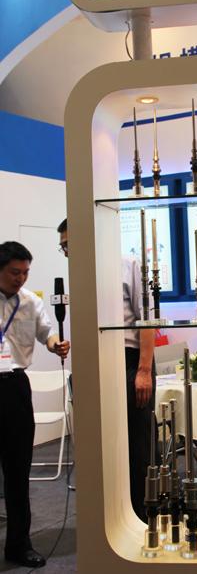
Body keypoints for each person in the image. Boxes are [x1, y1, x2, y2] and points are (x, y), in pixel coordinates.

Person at [57, 219, 156, 521]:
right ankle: (107, 518)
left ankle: (140, 516)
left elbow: (148, 318)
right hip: (93, 362)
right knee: (100, 445)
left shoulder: (128, 264)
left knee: (136, 445)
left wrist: (144, 370)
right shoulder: (79, 274)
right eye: (63, 248)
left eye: (70, 245)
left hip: (129, 360)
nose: (68, 252)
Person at [0, 241, 70, 568]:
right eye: (15, 272)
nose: (21, 279)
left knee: (18, 470)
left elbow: (47, 333)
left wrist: (57, 345)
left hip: (15, 387)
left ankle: (19, 545)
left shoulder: (30, 302)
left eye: (25, 272)